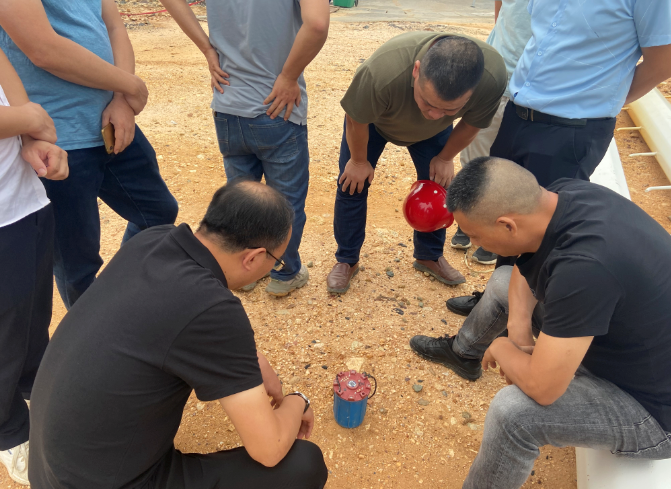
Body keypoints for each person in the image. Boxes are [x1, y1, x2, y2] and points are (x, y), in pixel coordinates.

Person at [29, 181, 328, 488]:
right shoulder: (213, 306)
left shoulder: (151, 240)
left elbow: (159, 319)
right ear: (252, 258)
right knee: (304, 465)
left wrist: (250, 358)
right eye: (276, 261)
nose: (273, 269)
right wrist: (298, 401)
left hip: (48, 470)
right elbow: (269, 449)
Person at [418, 158, 671, 487]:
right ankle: (464, 354)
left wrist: (502, 347)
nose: (476, 244)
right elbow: (522, 270)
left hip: (651, 408)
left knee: (513, 414)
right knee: (503, 281)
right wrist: (519, 332)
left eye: (476, 236)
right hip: (626, 346)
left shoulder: (583, 268)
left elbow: (543, 389)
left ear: (508, 226)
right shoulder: (563, 196)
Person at [447, 0, 671, 317]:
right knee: (504, 213)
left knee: (542, 230)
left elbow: (662, 62)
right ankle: (496, 302)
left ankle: (526, 322)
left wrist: (601, 100)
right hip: (518, 113)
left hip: (571, 127)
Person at [0, 0, 179, 309]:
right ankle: (93, 331)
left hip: (111, 123)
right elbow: (43, 49)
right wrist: (131, 85)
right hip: (58, 138)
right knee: (76, 264)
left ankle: (115, 305)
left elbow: (114, 26)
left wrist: (122, 98)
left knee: (158, 213)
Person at [159, 0, 330, 297]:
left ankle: (241, 274)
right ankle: (284, 273)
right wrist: (289, 76)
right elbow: (316, 24)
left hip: (228, 104)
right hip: (277, 105)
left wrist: (207, 49)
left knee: (239, 201)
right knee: (286, 204)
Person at [327, 32, 507, 294]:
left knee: (441, 188)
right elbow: (357, 118)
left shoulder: (491, 77)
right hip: (375, 123)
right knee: (352, 184)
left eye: (449, 109)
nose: (433, 114)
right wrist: (357, 161)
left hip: (433, 135)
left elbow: (472, 124)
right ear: (416, 71)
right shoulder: (381, 72)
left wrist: (445, 157)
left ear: (471, 93)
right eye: (427, 102)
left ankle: (429, 255)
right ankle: (346, 259)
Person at [0, 49, 68, 486]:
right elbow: (27, 112)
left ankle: (36, 390)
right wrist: (31, 119)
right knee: (3, 335)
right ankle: (9, 432)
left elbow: (11, 89)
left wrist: (31, 136)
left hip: (24, 201)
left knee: (31, 318)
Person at [449, 0, 531, 266]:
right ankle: (469, 220)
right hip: (498, 73)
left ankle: (497, 231)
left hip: (532, 86)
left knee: (510, 162)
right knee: (475, 157)